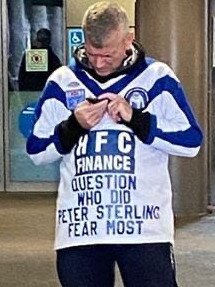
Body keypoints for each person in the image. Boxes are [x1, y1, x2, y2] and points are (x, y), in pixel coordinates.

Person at [26, 2, 203, 286]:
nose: (98, 63)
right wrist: (73, 126)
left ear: (128, 39)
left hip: (145, 230)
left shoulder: (158, 78)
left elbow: (192, 141)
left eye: (107, 55)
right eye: (92, 54)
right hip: (80, 231)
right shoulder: (62, 81)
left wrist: (137, 120)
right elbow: (35, 151)